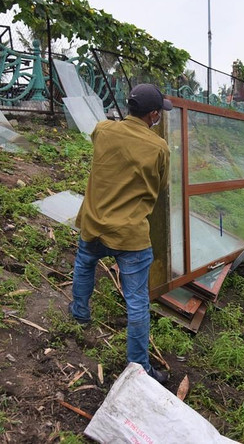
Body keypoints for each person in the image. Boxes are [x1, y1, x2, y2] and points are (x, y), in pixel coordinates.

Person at [70, 83, 172, 384]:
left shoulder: (103, 130)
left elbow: (101, 145)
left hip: (94, 223)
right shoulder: (159, 148)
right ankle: (138, 368)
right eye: (158, 114)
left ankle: (80, 312)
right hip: (130, 235)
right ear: (153, 114)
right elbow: (162, 185)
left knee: (84, 263)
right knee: (137, 300)